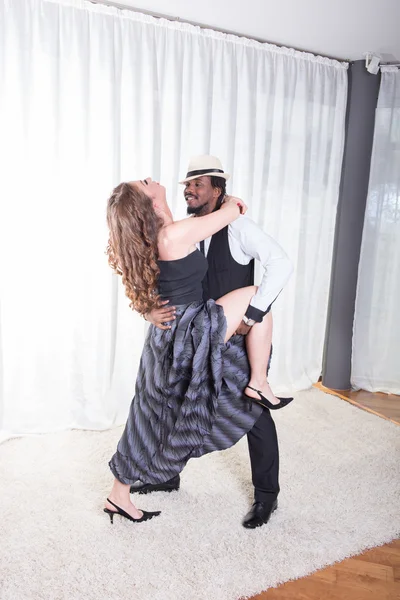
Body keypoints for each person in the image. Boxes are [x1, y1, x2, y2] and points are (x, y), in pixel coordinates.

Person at [104, 172, 292, 525]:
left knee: (148, 413)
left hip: (166, 341)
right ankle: (259, 382)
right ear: (149, 202)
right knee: (257, 297)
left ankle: (119, 494)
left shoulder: (151, 235)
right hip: (193, 334)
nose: (149, 178)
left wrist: (148, 309)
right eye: (144, 184)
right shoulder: (176, 233)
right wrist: (229, 200)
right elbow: (233, 209)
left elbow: (153, 279)